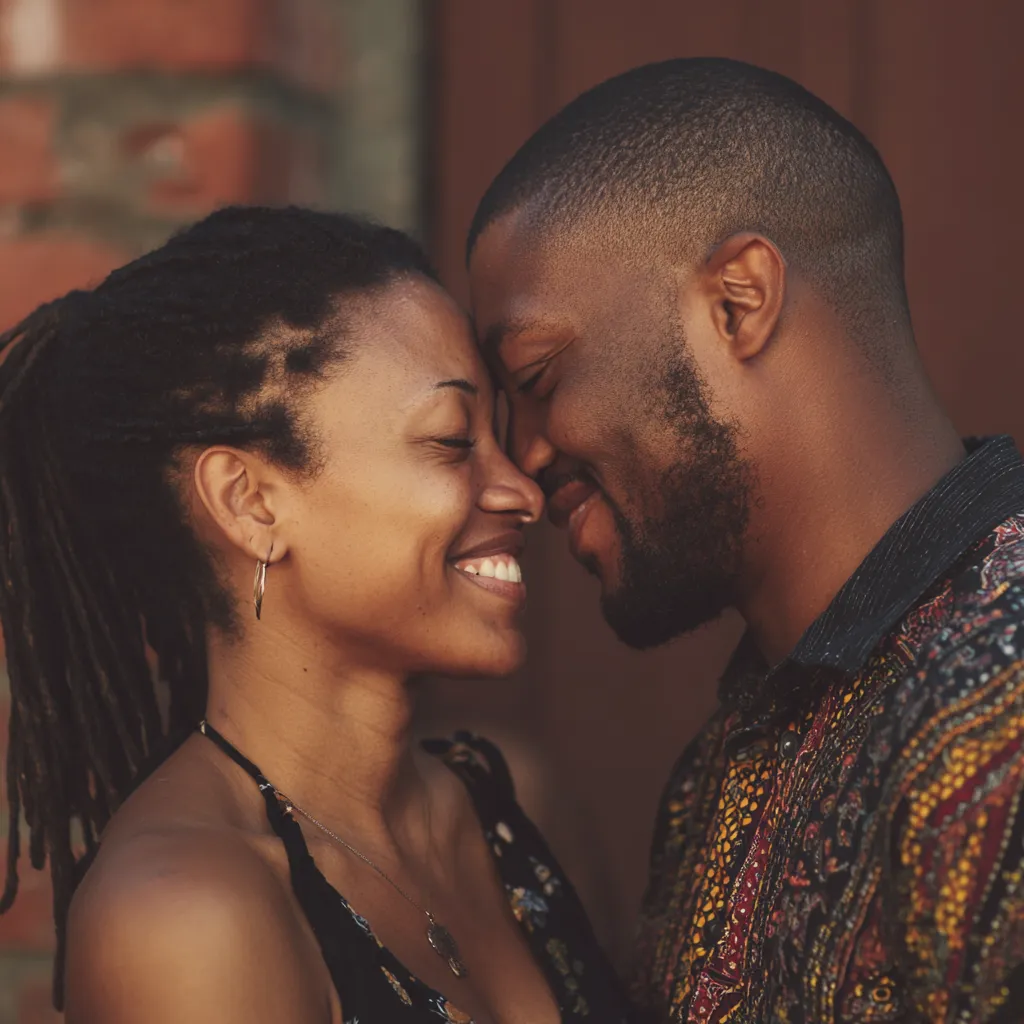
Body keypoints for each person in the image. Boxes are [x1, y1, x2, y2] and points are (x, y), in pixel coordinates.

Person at [467, 57, 1024, 1023]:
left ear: (739, 301)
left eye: (540, 375)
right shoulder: (742, 742)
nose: (522, 459)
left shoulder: (1000, 710)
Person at [0, 206, 634, 1024]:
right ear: (252, 503)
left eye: (498, 436)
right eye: (450, 440)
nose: (519, 486)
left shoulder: (514, 807)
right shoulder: (187, 917)